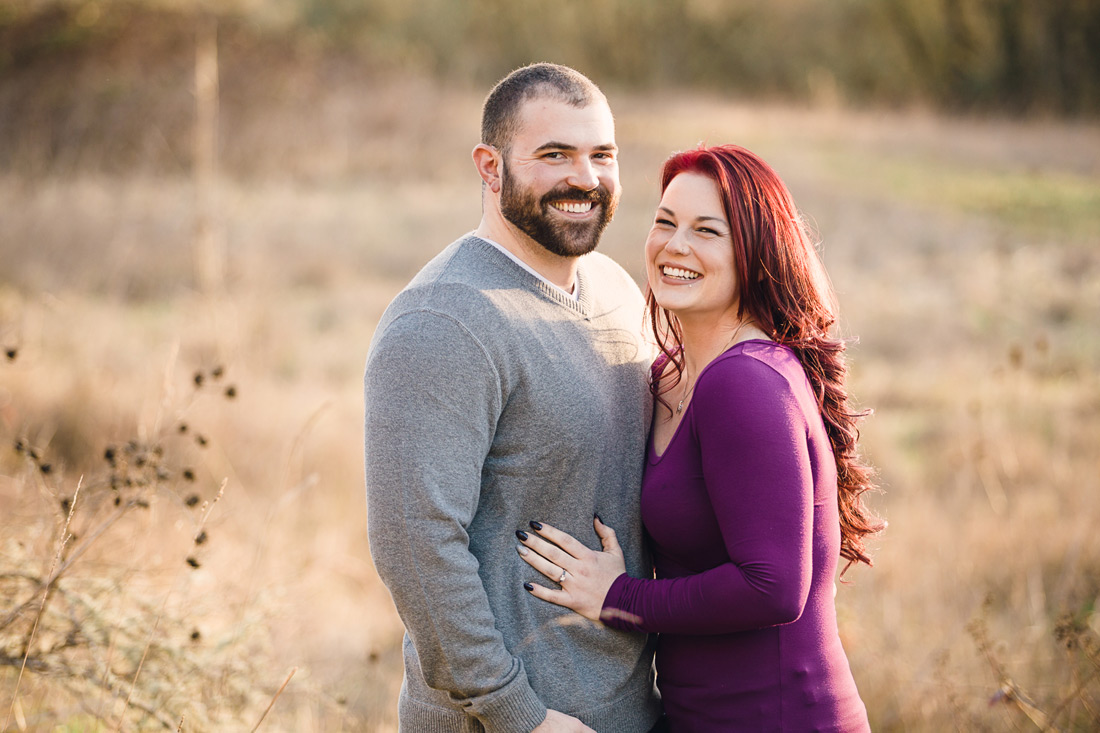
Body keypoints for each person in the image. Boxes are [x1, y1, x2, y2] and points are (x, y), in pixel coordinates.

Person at [516, 144, 883, 731]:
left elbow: (773, 587)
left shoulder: (745, 383)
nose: (675, 246)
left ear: (754, 253)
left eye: (707, 231)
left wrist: (620, 597)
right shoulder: (669, 375)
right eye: (665, 222)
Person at [364, 63, 662, 733]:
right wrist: (518, 714)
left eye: (601, 155)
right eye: (553, 154)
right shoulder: (443, 319)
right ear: (490, 167)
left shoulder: (615, 289)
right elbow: (414, 543)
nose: (584, 178)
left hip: (629, 707)